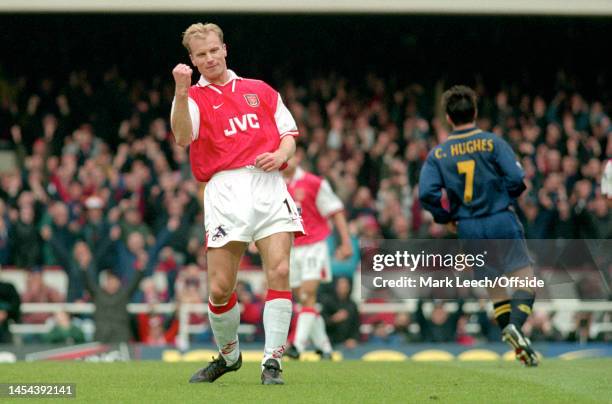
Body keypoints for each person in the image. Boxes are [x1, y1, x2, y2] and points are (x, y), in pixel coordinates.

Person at [171, 22, 304, 385]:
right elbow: (183, 136)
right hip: (224, 190)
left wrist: (280, 154)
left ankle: (272, 362)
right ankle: (230, 357)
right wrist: (181, 92)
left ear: (225, 48)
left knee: (278, 271)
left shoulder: (258, 89)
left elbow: (288, 133)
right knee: (219, 288)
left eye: (214, 50)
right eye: (201, 54)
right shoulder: (192, 98)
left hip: (268, 185)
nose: (210, 58)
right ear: (192, 60)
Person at [418, 85, 538, 366]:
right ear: (474, 112)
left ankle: (520, 350)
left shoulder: (438, 154)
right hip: (499, 219)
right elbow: (517, 179)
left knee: (496, 290)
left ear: (448, 118)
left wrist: (446, 218)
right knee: (526, 283)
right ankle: (516, 328)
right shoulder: (493, 143)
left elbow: (426, 194)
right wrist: (500, 199)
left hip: (468, 227)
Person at [282, 146, 352, 359]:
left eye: (290, 156)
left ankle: (297, 345)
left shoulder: (314, 183)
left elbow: (335, 211)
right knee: (304, 300)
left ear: (299, 157)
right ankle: (325, 347)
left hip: (315, 245)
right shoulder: (274, 185)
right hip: (291, 247)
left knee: (307, 293)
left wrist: (346, 242)